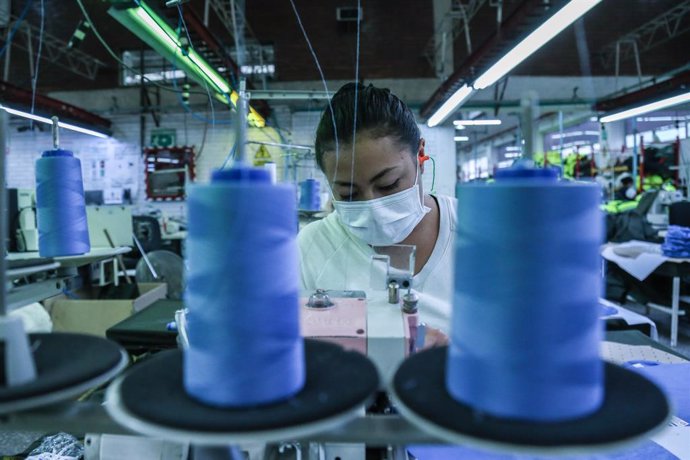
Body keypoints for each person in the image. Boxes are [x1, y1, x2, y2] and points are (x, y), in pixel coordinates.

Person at [297, 82, 456, 334]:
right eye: (349, 194)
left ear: (421, 156)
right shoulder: (314, 247)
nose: (374, 208)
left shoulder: (476, 233)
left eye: (389, 184)